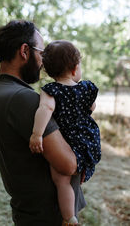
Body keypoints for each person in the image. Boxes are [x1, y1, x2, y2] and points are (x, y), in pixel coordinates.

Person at [0, 20, 86, 226]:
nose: (43, 62)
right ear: (25, 51)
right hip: (47, 216)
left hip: (33, 212)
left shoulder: (2, 89)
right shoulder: (23, 98)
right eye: (41, 52)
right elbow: (68, 164)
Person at [29, 40, 101, 225]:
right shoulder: (86, 88)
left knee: (61, 180)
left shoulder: (51, 90)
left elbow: (45, 109)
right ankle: (85, 168)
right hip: (87, 139)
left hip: (66, 139)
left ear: (48, 71)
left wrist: (37, 134)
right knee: (79, 166)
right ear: (75, 68)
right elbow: (91, 107)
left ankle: (69, 218)